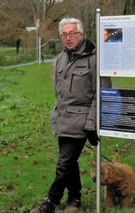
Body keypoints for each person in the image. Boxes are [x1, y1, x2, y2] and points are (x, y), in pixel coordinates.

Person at [31, 17, 111, 213]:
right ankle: (75, 198)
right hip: (62, 120)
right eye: (64, 34)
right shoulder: (60, 58)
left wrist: (92, 124)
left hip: (82, 121)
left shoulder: (94, 58)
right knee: (70, 162)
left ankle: (51, 201)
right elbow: (59, 91)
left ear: (81, 34)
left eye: (72, 33)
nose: (68, 38)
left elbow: (103, 93)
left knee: (63, 163)